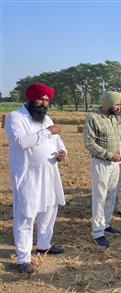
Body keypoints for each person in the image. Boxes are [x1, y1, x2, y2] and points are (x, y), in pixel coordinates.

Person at [5, 82, 67, 274]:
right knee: (26, 215)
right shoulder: (15, 117)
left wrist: (62, 152)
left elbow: (59, 143)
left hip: (49, 173)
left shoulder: (47, 119)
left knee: (49, 209)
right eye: (41, 99)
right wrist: (46, 132)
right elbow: (22, 142)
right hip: (27, 176)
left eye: (47, 100)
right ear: (31, 98)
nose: (44, 103)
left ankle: (44, 244)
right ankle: (23, 258)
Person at [83, 91, 121, 248]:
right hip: (101, 163)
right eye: (117, 104)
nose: (119, 107)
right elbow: (89, 143)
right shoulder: (93, 118)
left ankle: (105, 224)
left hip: (114, 163)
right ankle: (97, 233)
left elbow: (118, 137)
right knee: (100, 197)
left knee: (111, 194)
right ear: (109, 104)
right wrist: (110, 155)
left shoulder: (112, 118)